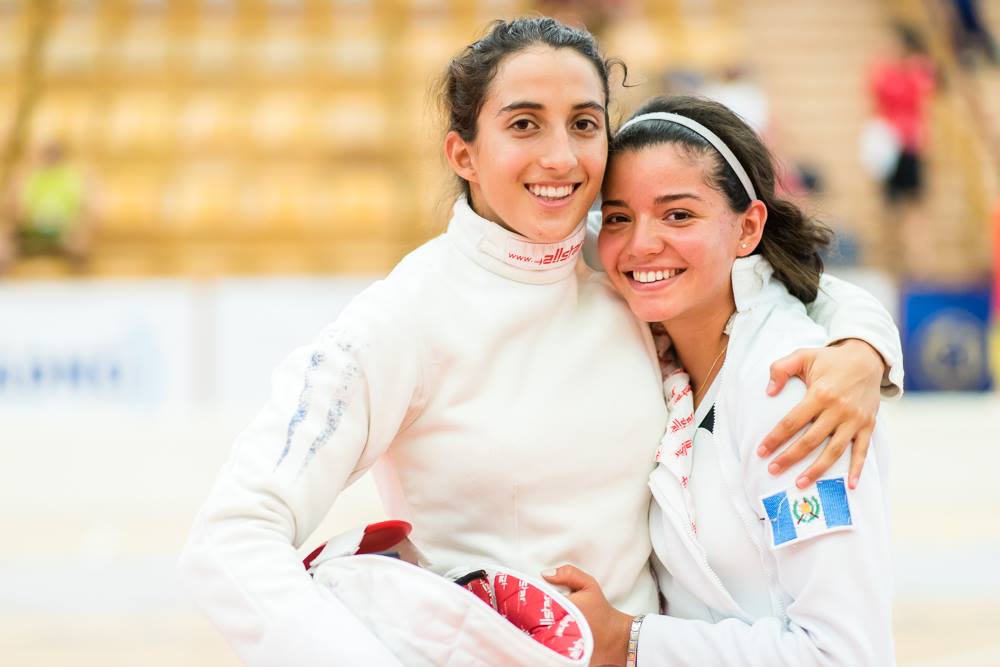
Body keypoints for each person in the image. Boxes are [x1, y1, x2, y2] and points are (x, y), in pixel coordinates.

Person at [179, 18, 901, 665]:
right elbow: (231, 538)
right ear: (462, 152)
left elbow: (765, 277)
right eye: (525, 124)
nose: (560, 157)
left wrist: (863, 348)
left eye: (584, 124)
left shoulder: (615, 257)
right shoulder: (403, 318)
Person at [545, 96, 895, 665]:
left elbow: (842, 653)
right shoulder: (664, 346)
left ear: (749, 226)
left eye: (678, 214)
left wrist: (630, 641)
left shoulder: (791, 392)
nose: (641, 244)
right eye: (618, 218)